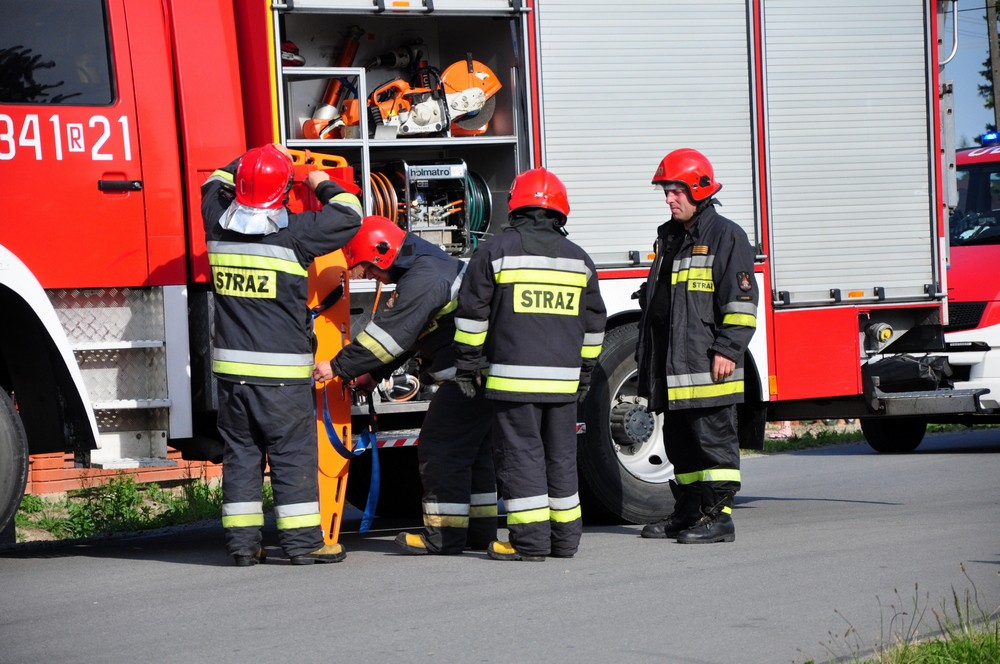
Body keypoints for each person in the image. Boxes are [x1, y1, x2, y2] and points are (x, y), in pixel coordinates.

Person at [201, 142, 362, 566]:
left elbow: (213, 181)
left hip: (231, 379)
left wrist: (256, 154)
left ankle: (242, 547)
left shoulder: (215, 222)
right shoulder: (296, 232)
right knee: (291, 458)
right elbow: (350, 214)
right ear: (283, 189)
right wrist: (319, 181)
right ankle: (303, 544)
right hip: (282, 379)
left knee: (241, 459)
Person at [313, 216, 497, 555]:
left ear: (383, 253)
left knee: (439, 448)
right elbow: (414, 336)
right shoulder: (428, 269)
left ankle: (443, 536)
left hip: (467, 378)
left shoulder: (424, 278)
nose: (368, 276)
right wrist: (373, 375)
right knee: (474, 454)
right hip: (478, 376)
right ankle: (479, 531)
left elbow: (391, 335)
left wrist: (338, 366)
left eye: (368, 268)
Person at [453, 168, 607, 561]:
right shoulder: (579, 259)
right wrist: (585, 374)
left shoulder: (495, 251)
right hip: (564, 386)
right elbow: (594, 327)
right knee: (560, 458)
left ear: (515, 205)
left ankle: (530, 542)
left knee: (522, 457)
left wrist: (468, 367)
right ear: (560, 211)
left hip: (513, 383)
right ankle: (564, 540)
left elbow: (472, 316)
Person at [635, 148, 758, 544]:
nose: (670, 199)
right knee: (681, 442)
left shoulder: (726, 235)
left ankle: (718, 517)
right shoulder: (669, 236)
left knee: (713, 441)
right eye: (666, 192)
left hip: (707, 362)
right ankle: (689, 511)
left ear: (699, 189)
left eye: (676, 191)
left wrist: (728, 349)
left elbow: (740, 302)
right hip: (674, 365)